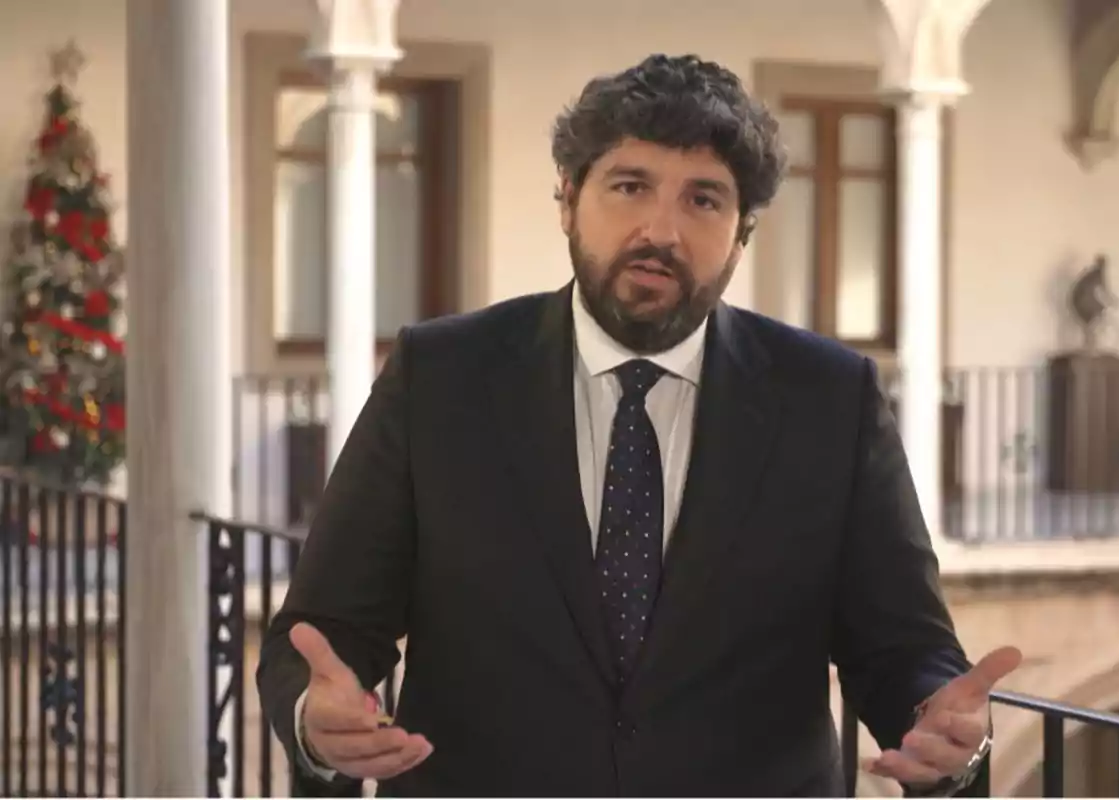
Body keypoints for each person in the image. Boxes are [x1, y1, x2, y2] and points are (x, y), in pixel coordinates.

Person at [256, 53, 1022, 797]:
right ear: (567, 197)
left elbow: (902, 646)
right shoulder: (441, 377)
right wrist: (316, 721)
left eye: (704, 200)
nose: (661, 229)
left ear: (742, 232)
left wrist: (943, 730)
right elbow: (326, 627)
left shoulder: (829, 397)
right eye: (630, 186)